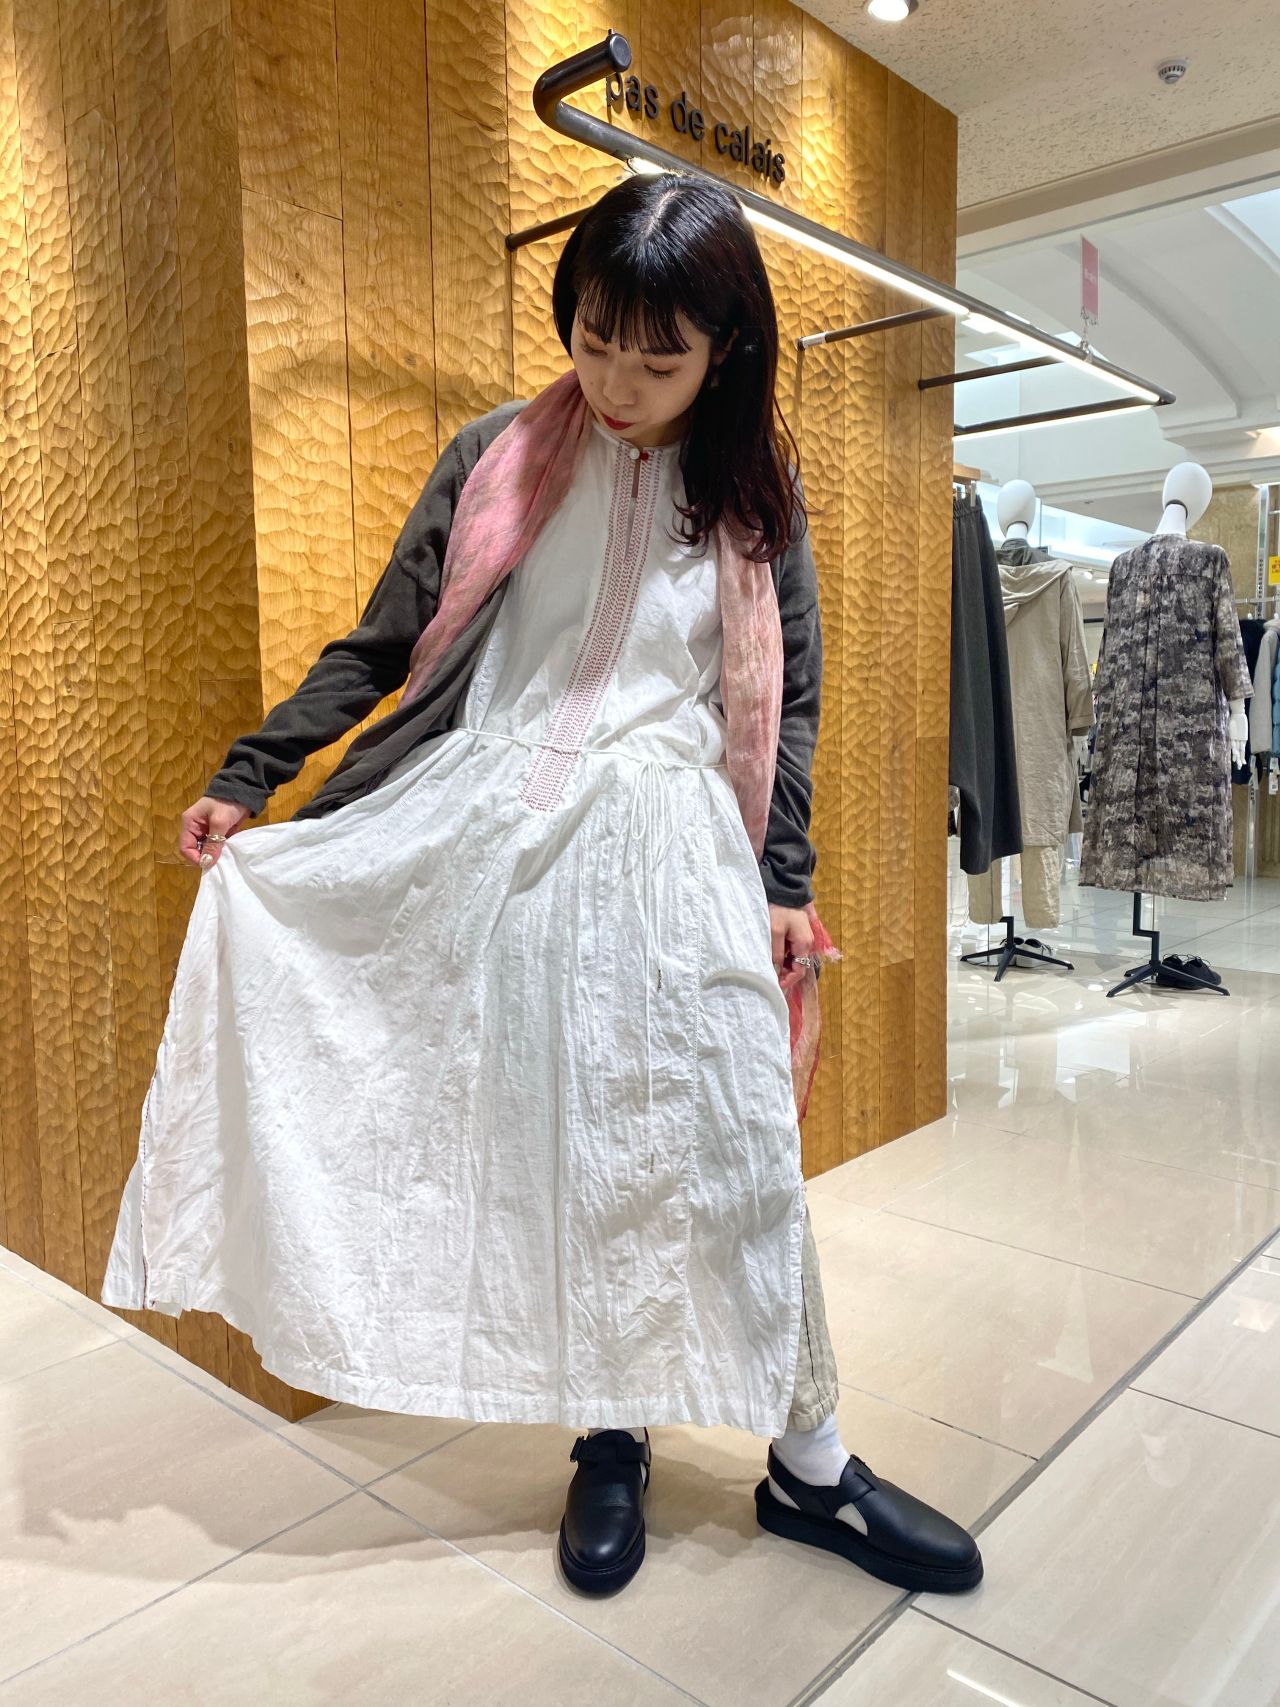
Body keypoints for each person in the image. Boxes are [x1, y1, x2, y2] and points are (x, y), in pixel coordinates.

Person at [100, 173, 981, 1599]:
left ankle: (812, 1462)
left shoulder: (754, 501)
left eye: (659, 356)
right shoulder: (496, 455)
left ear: (726, 351)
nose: (617, 383)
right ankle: (610, 1439)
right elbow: (387, 642)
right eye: (593, 338)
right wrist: (254, 772)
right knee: (565, 1148)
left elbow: (787, 701)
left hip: (673, 850)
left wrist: (783, 877)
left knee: (736, 1151)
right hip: (493, 840)